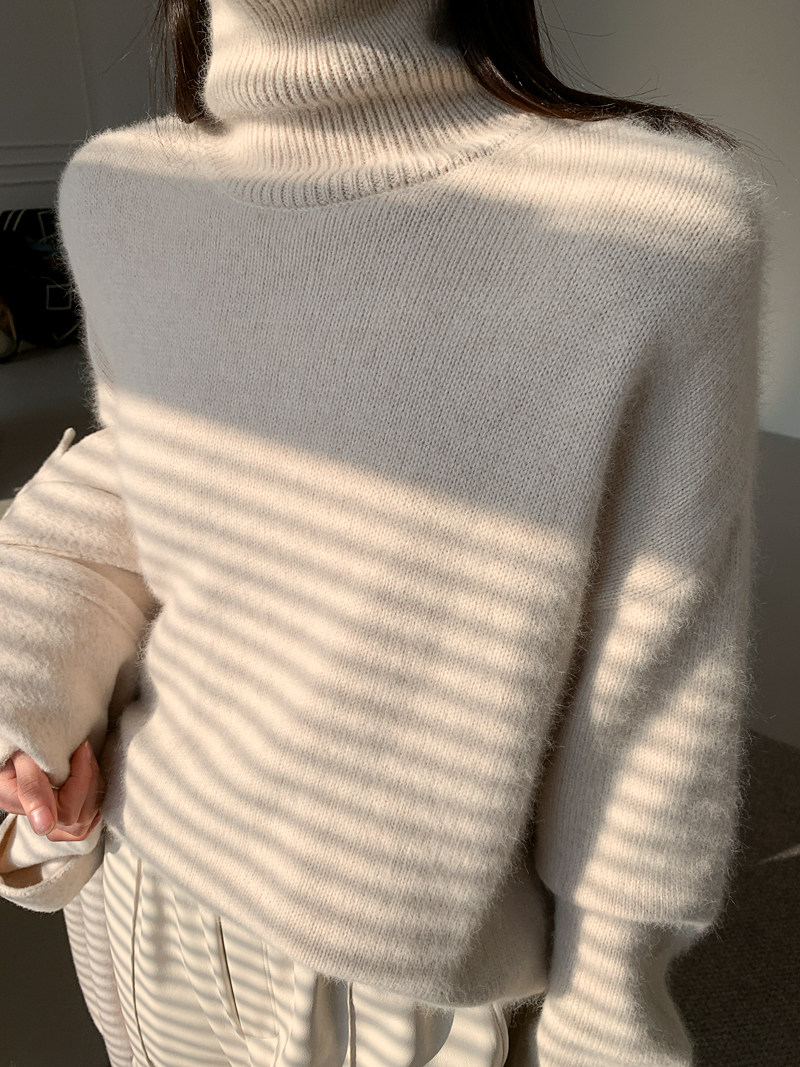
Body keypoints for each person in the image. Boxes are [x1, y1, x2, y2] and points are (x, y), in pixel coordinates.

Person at [0, 0, 771, 1064]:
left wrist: (610, 1010)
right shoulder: (120, 192)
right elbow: (140, 490)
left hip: (396, 985)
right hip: (142, 907)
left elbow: (655, 689)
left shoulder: (656, 221)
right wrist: (29, 719)